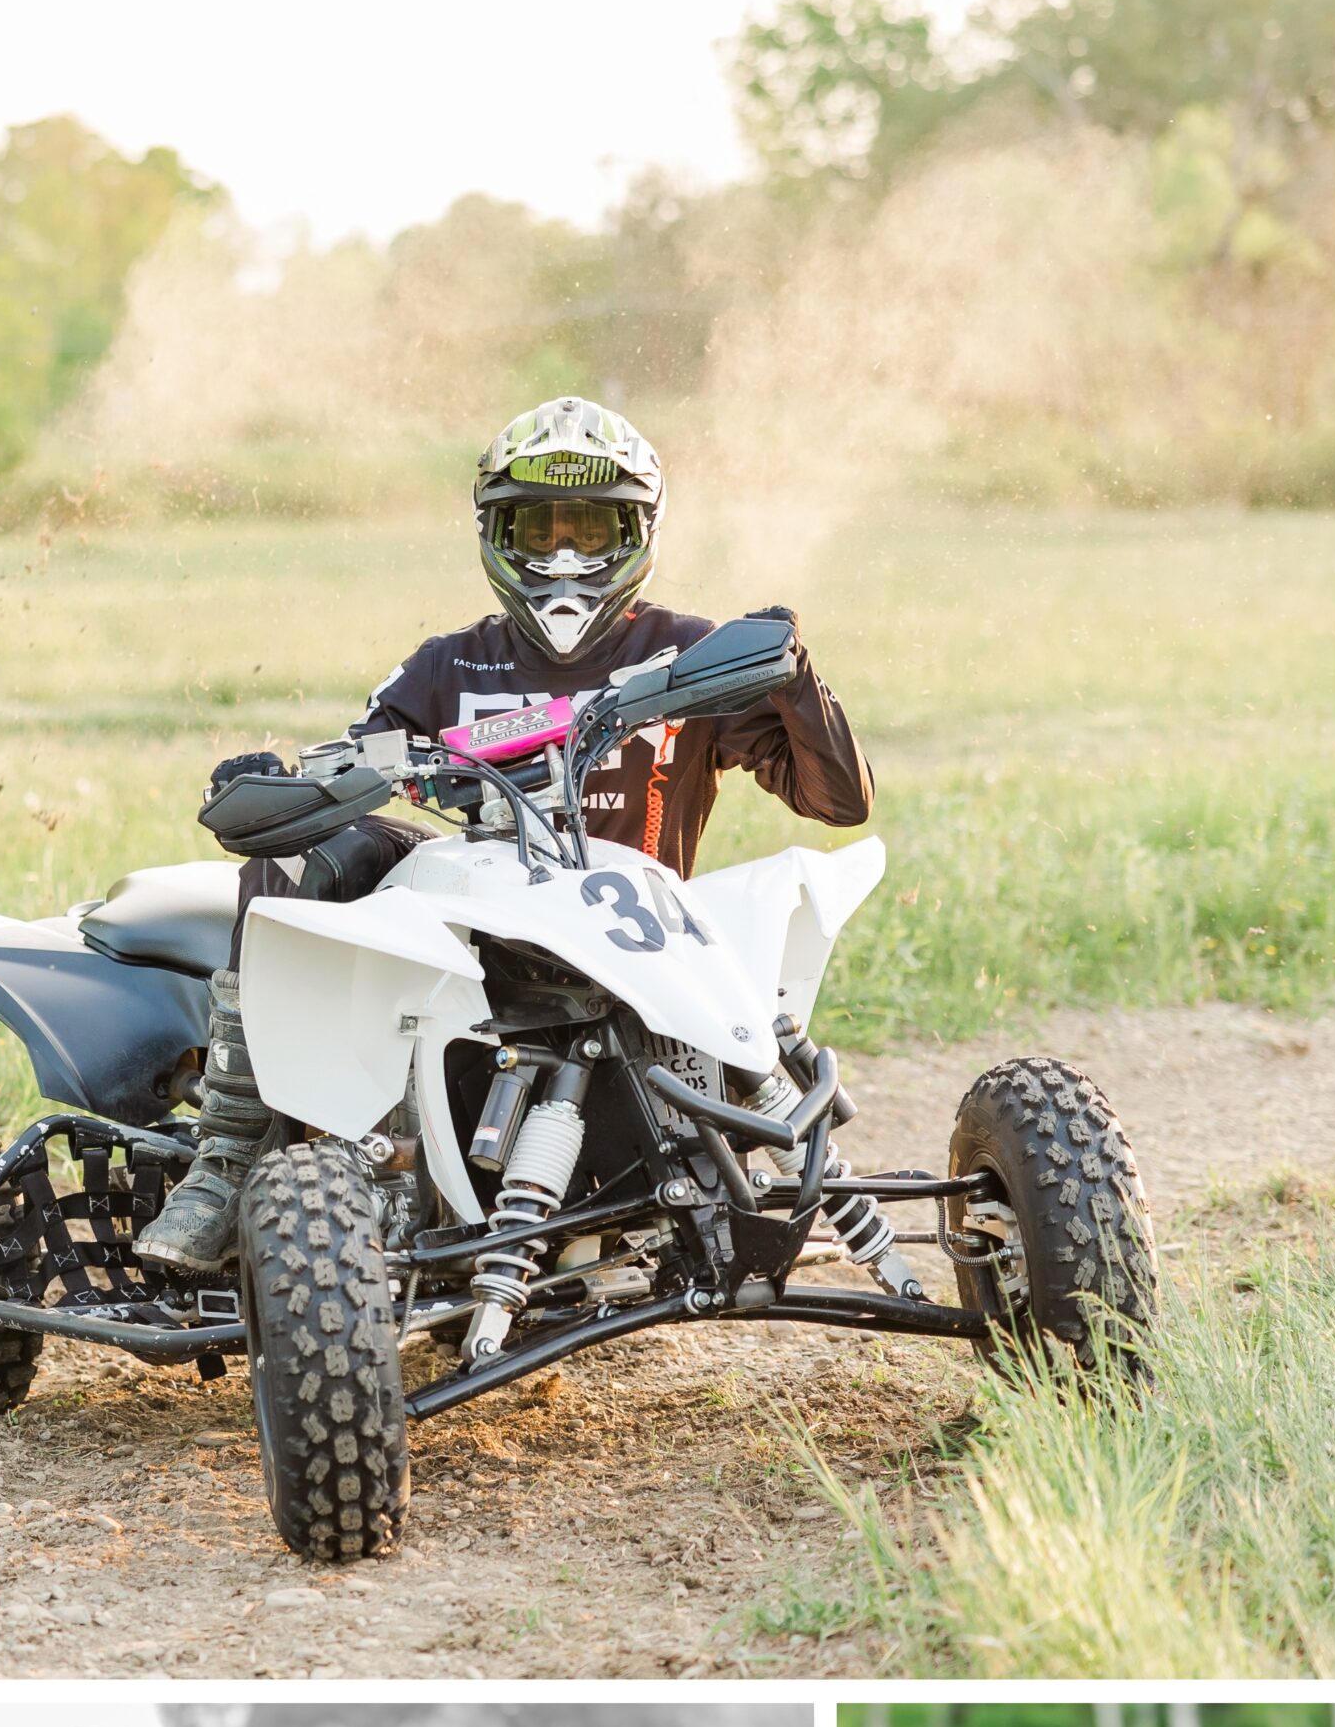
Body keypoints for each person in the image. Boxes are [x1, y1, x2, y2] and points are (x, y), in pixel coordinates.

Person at [135, 393, 875, 1274]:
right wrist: (275, 789)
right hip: (479, 944)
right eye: (537, 528)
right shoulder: (448, 663)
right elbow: (351, 772)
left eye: (592, 531)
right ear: (495, 533)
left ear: (638, 533)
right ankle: (226, 1157)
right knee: (295, 851)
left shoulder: (691, 653)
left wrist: (795, 678)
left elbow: (838, 804)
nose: (563, 555)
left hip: (636, 953)